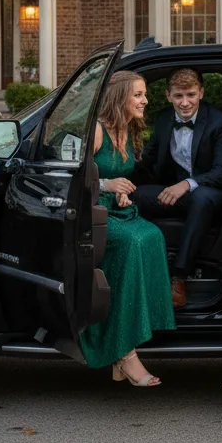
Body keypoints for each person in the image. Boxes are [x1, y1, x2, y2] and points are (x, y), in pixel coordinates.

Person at [79, 70, 176, 387]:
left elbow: (118, 178)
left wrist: (119, 191)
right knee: (133, 243)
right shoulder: (96, 131)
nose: (145, 100)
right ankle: (125, 352)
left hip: (116, 209)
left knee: (153, 236)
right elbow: (75, 177)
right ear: (120, 96)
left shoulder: (128, 129)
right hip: (92, 213)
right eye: (139, 94)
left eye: (144, 94)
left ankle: (132, 330)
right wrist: (107, 184)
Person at [131, 68, 222, 308]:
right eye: (178, 96)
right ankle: (141, 269)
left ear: (201, 93)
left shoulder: (219, 121)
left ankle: (179, 276)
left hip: (211, 192)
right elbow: (148, 157)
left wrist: (186, 184)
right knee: (132, 196)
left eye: (191, 95)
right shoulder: (165, 119)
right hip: (176, 190)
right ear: (168, 96)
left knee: (202, 198)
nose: (185, 103)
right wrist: (115, 173)